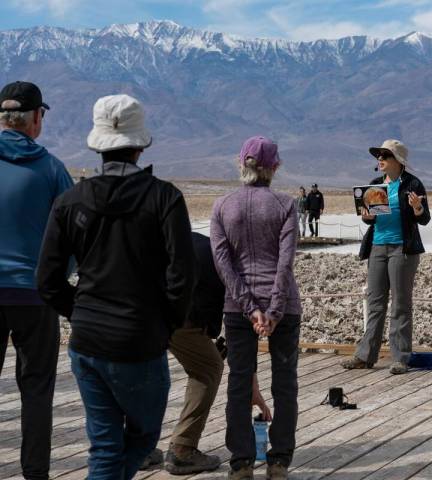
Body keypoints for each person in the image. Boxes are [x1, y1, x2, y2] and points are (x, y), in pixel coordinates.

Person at [36, 94, 196, 479]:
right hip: (141, 339)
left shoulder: (70, 201)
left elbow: (47, 279)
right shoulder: (164, 198)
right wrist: (164, 322)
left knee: (105, 446)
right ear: (140, 145)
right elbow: (182, 275)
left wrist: (83, 310)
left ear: (97, 144)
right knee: (142, 437)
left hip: (88, 342)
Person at [141, 232, 272, 474]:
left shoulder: (198, 242)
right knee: (208, 368)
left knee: (146, 371)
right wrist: (252, 385)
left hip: (134, 306)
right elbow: (240, 328)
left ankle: (137, 448)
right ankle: (182, 450)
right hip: (174, 314)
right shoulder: (233, 266)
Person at [210, 136, 301, 480]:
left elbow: (223, 263)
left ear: (241, 163)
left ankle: (241, 463)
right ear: (275, 167)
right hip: (284, 310)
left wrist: (250, 308)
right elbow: (285, 262)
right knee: (285, 383)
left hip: (237, 308)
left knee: (238, 381)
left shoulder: (222, 206)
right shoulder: (285, 205)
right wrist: (274, 310)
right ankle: (278, 462)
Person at [0, 81, 74, 480]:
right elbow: (76, 232)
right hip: (33, 296)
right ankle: (35, 474)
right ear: (35, 119)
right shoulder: (51, 169)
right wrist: (57, 279)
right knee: (36, 388)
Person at [342, 139, 431, 375]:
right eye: (378, 156)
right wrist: (367, 216)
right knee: (375, 302)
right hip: (377, 248)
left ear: (398, 160)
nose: (379, 159)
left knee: (401, 303)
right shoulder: (374, 185)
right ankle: (365, 355)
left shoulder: (413, 184)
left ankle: (400, 357)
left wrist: (416, 208)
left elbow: (424, 219)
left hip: (402, 249)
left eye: (385, 155)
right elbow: (369, 219)